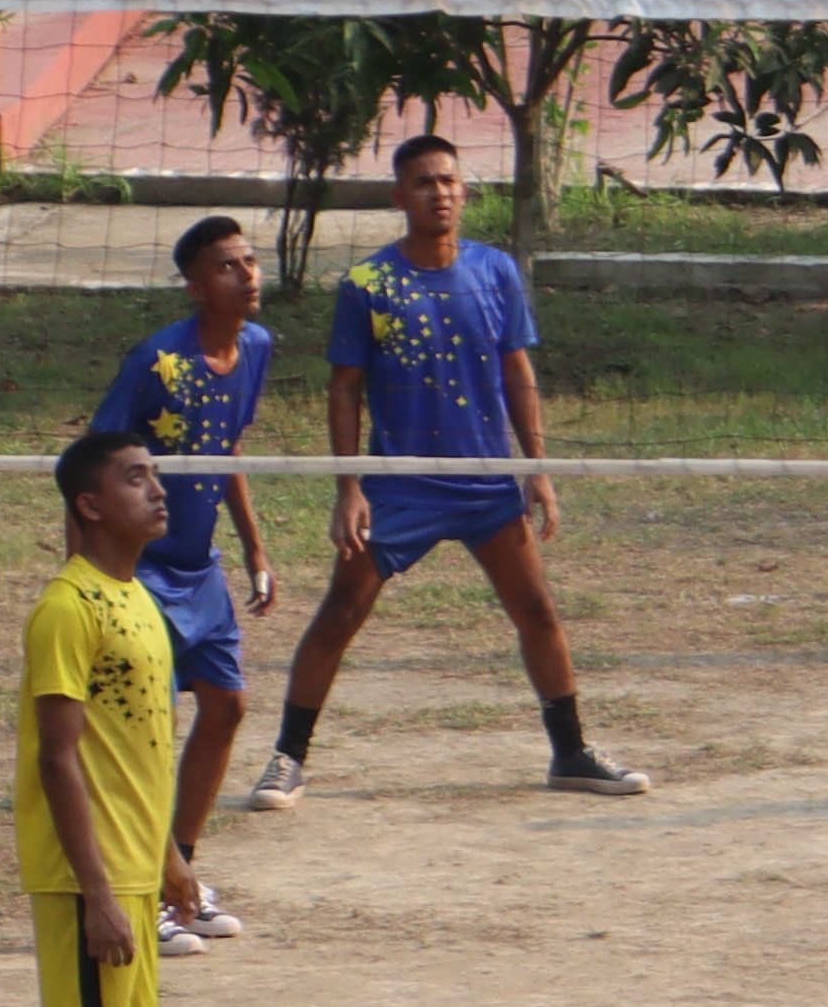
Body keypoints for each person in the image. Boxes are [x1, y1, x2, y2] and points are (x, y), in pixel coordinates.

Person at [251, 133, 644, 806]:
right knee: (342, 611)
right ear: (399, 196)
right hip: (401, 483)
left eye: (449, 181)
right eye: (425, 183)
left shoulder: (495, 272)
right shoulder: (368, 283)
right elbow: (344, 386)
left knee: (539, 613)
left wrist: (536, 468)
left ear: (464, 191)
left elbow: (518, 369)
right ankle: (288, 758)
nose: (439, 192)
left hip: (488, 481)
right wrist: (348, 485)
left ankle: (571, 752)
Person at [22, 427, 232, 1007]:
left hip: (135, 871)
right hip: (87, 880)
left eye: (157, 475)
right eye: (137, 478)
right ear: (89, 504)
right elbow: (60, 761)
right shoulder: (68, 609)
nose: (160, 491)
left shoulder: (137, 598)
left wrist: (170, 856)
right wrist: (103, 888)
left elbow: (136, 750)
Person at [91, 217, 278, 947]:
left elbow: (226, 448)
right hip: (145, 572)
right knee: (146, 733)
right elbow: (94, 460)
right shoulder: (157, 361)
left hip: (202, 571)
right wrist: (97, 577)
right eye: (229, 267)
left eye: (250, 261)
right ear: (198, 287)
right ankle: (150, 891)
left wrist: (256, 548)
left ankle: (182, 878)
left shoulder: (256, 348)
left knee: (227, 708)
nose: (248, 274)